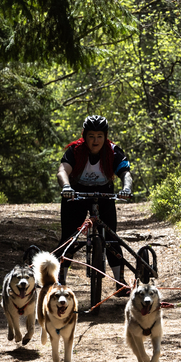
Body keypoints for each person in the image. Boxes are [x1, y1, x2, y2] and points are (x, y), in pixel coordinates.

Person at [56, 115, 133, 292]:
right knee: (69, 238)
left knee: (111, 238)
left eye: (99, 136)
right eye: (91, 136)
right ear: (84, 136)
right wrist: (66, 186)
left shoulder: (113, 151)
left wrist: (126, 188)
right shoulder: (75, 150)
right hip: (76, 195)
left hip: (104, 195)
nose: (95, 140)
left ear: (105, 136)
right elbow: (63, 171)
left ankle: (120, 283)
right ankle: (60, 282)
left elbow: (125, 174)